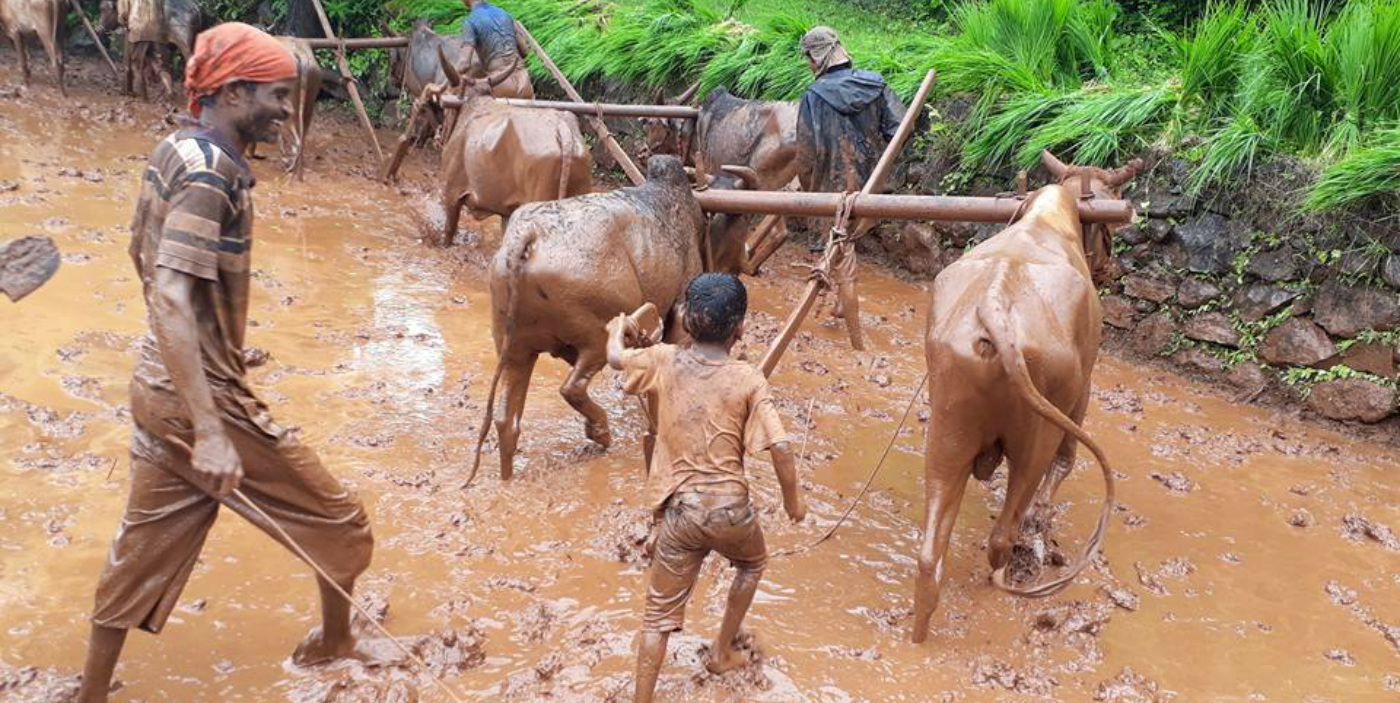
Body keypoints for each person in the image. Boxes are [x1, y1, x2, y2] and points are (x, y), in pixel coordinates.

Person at [75, 23, 393, 703]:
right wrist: (213, 426)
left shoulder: (174, 147)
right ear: (231, 90)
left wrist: (219, 341)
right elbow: (169, 287)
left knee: (139, 551)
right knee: (343, 521)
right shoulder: (209, 172)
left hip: (157, 384)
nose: (285, 108)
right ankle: (334, 641)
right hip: (201, 403)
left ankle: (90, 694)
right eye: (276, 94)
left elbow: (147, 257)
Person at [605, 273, 807, 703]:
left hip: (681, 515)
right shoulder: (749, 378)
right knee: (752, 565)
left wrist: (614, 331)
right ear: (741, 328)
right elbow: (782, 447)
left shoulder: (664, 359)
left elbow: (616, 359)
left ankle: (642, 698)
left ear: (685, 320)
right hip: (732, 511)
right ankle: (721, 650)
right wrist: (795, 503)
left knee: (657, 618)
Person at [795, 26, 906, 202]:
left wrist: (811, 192)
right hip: (875, 195)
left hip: (829, 201)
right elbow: (900, 132)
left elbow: (805, 156)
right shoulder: (876, 84)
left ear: (815, 60)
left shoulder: (812, 97)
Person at [457, 0, 534, 99]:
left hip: (500, 84)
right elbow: (525, 51)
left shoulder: (470, 21)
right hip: (524, 82)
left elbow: (464, 65)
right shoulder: (505, 14)